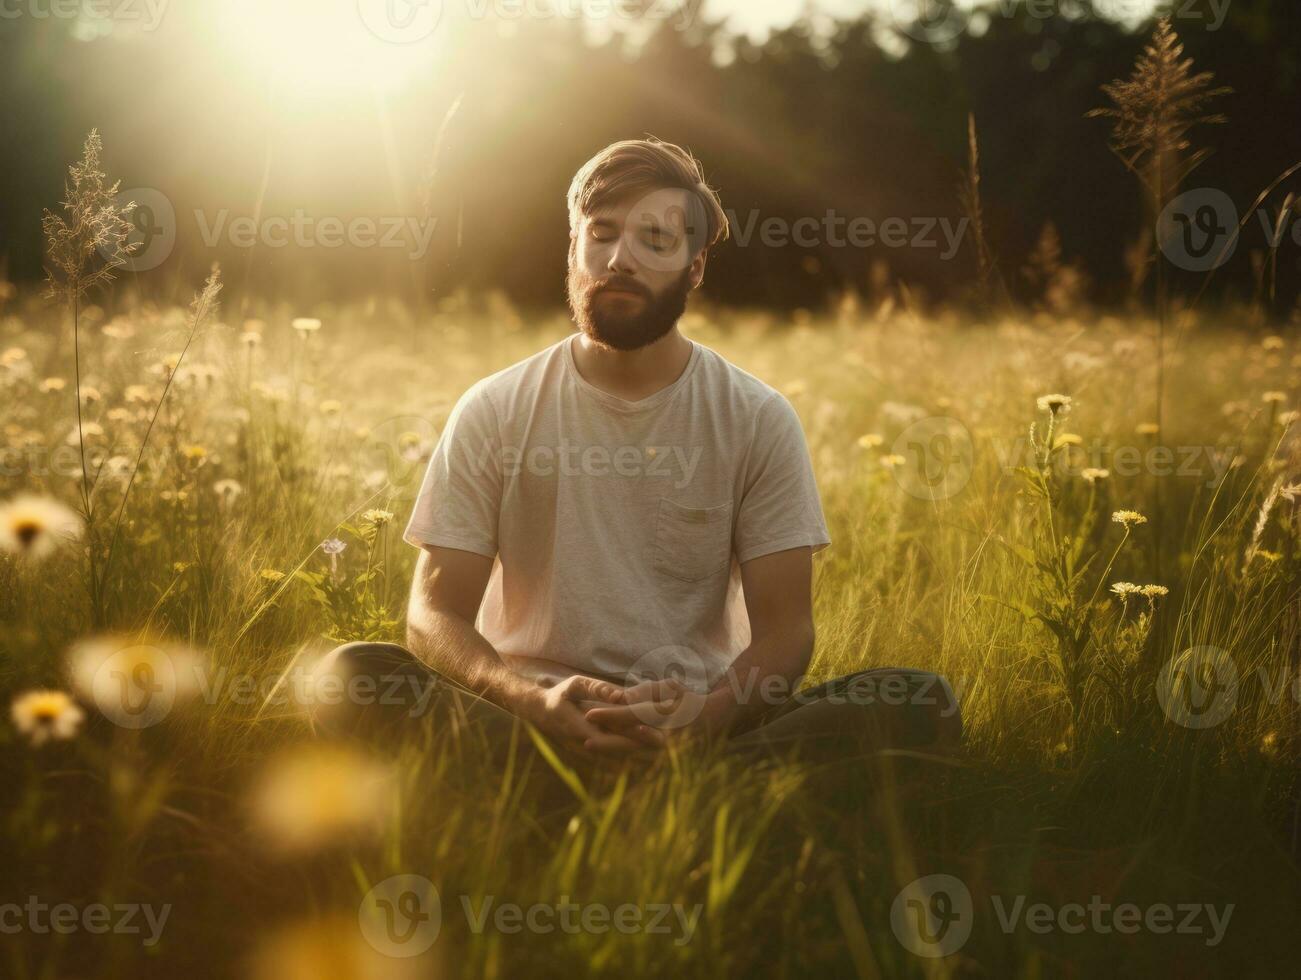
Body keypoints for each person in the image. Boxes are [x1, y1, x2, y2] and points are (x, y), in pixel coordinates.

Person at [314, 137, 961, 760]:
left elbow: (785, 632)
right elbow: (432, 614)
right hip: (527, 718)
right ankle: (695, 798)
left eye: (653, 239)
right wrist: (527, 701)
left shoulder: (757, 418)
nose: (620, 258)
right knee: (351, 676)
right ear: (574, 250)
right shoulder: (495, 407)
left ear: (694, 266)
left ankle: (649, 781)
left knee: (918, 701)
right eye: (600, 234)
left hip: (702, 717)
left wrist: (700, 725)